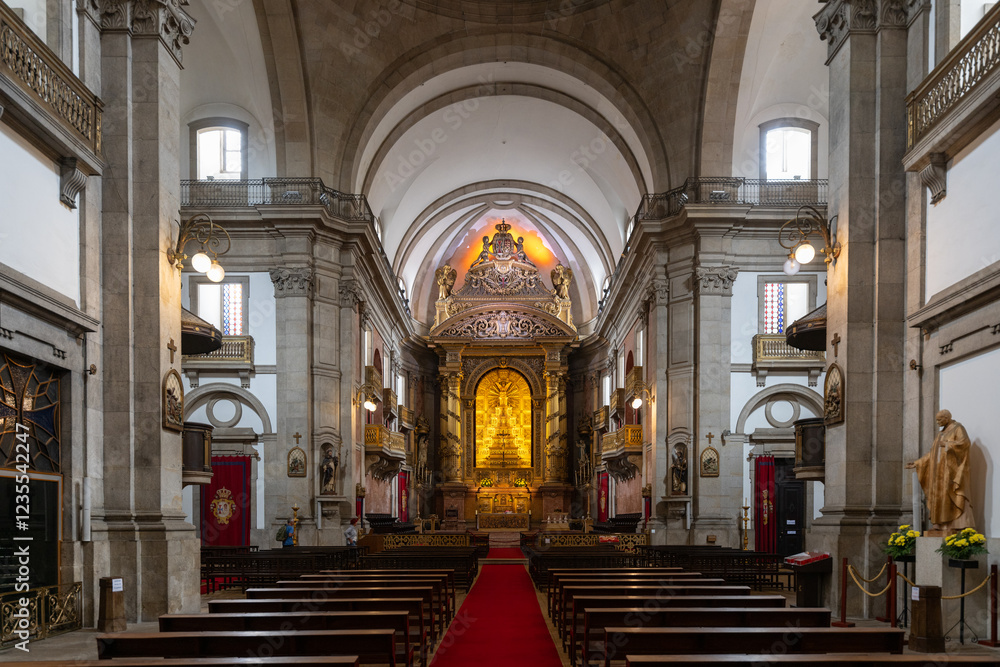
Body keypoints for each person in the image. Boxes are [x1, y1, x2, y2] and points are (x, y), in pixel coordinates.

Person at [906, 409, 974, 532]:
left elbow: (965, 443)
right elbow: (932, 453)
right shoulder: (940, 434)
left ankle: (957, 525)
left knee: (953, 495)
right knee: (938, 497)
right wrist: (917, 463)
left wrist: (948, 444)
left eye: (939, 420)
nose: (937, 422)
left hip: (951, 471)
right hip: (938, 472)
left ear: (946, 418)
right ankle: (940, 526)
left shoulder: (958, 428)